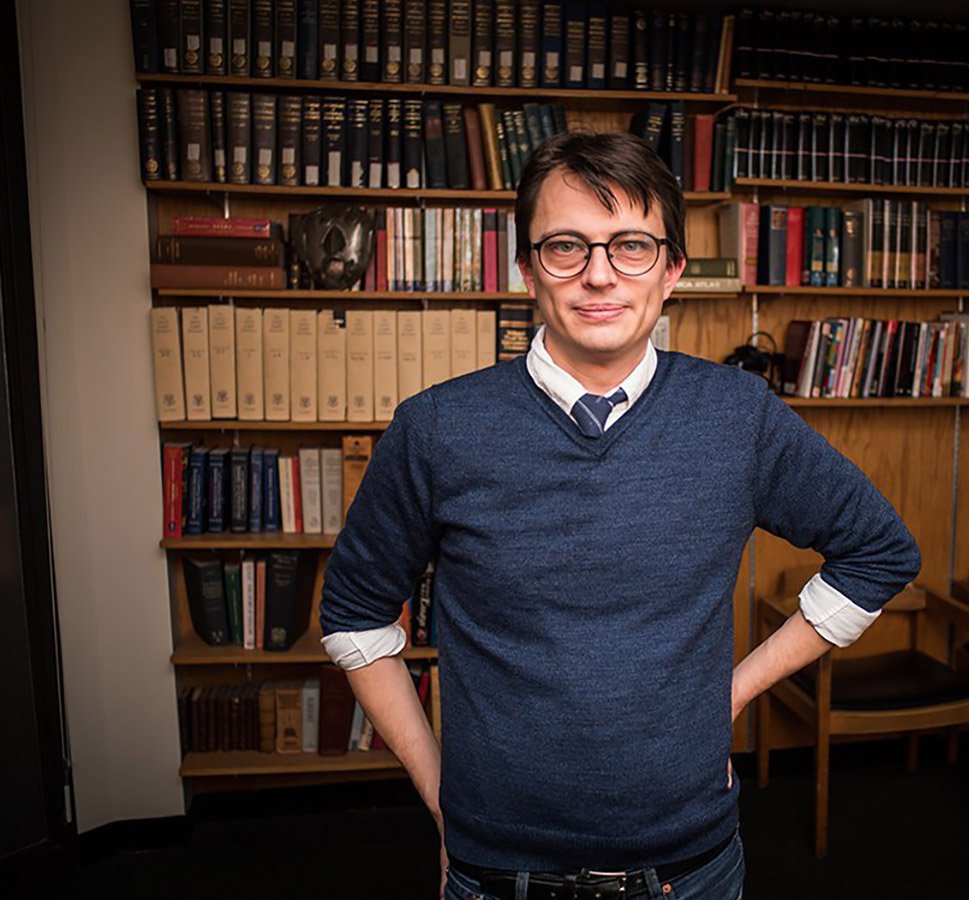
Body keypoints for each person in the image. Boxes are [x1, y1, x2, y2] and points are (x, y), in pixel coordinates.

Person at [319, 131, 921, 900]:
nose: (598, 275)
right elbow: (353, 615)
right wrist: (439, 791)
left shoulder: (738, 417)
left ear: (671, 271)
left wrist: (731, 693)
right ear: (528, 269)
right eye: (566, 246)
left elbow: (879, 551)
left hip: (690, 870)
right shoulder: (437, 429)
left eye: (630, 246)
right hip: (496, 874)